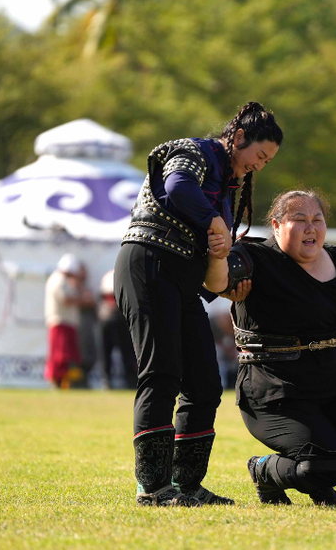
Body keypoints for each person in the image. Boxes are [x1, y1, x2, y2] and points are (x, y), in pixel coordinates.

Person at [114, 102, 283, 506]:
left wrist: (228, 285)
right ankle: (153, 488)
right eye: (259, 156)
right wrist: (214, 222)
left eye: (267, 162)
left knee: (205, 385)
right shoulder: (195, 151)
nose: (258, 166)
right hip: (147, 265)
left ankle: (185, 484)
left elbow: (213, 263)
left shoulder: (226, 190)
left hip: (181, 282)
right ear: (238, 138)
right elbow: (176, 187)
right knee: (162, 373)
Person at [204, 190, 336, 506]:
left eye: (317, 219)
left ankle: (321, 472)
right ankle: (267, 470)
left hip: (335, 380)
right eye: (299, 220)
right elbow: (217, 284)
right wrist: (217, 256)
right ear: (276, 225)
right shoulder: (253, 256)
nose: (310, 228)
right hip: (275, 391)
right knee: (322, 463)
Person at [44, 254, 92, 388]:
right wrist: (83, 301)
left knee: (67, 355)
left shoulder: (64, 280)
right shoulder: (59, 280)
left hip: (67, 322)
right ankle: (57, 382)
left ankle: (65, 382)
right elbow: (65, 299)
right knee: (61, 356)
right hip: (61, 322)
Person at [98, 269, 138, 389]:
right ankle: (110, 380)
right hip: (113, 319)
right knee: (110, 352)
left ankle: (128, 380)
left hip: (118, 319)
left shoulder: (110, 276)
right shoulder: (115, 276)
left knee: (126, 353)